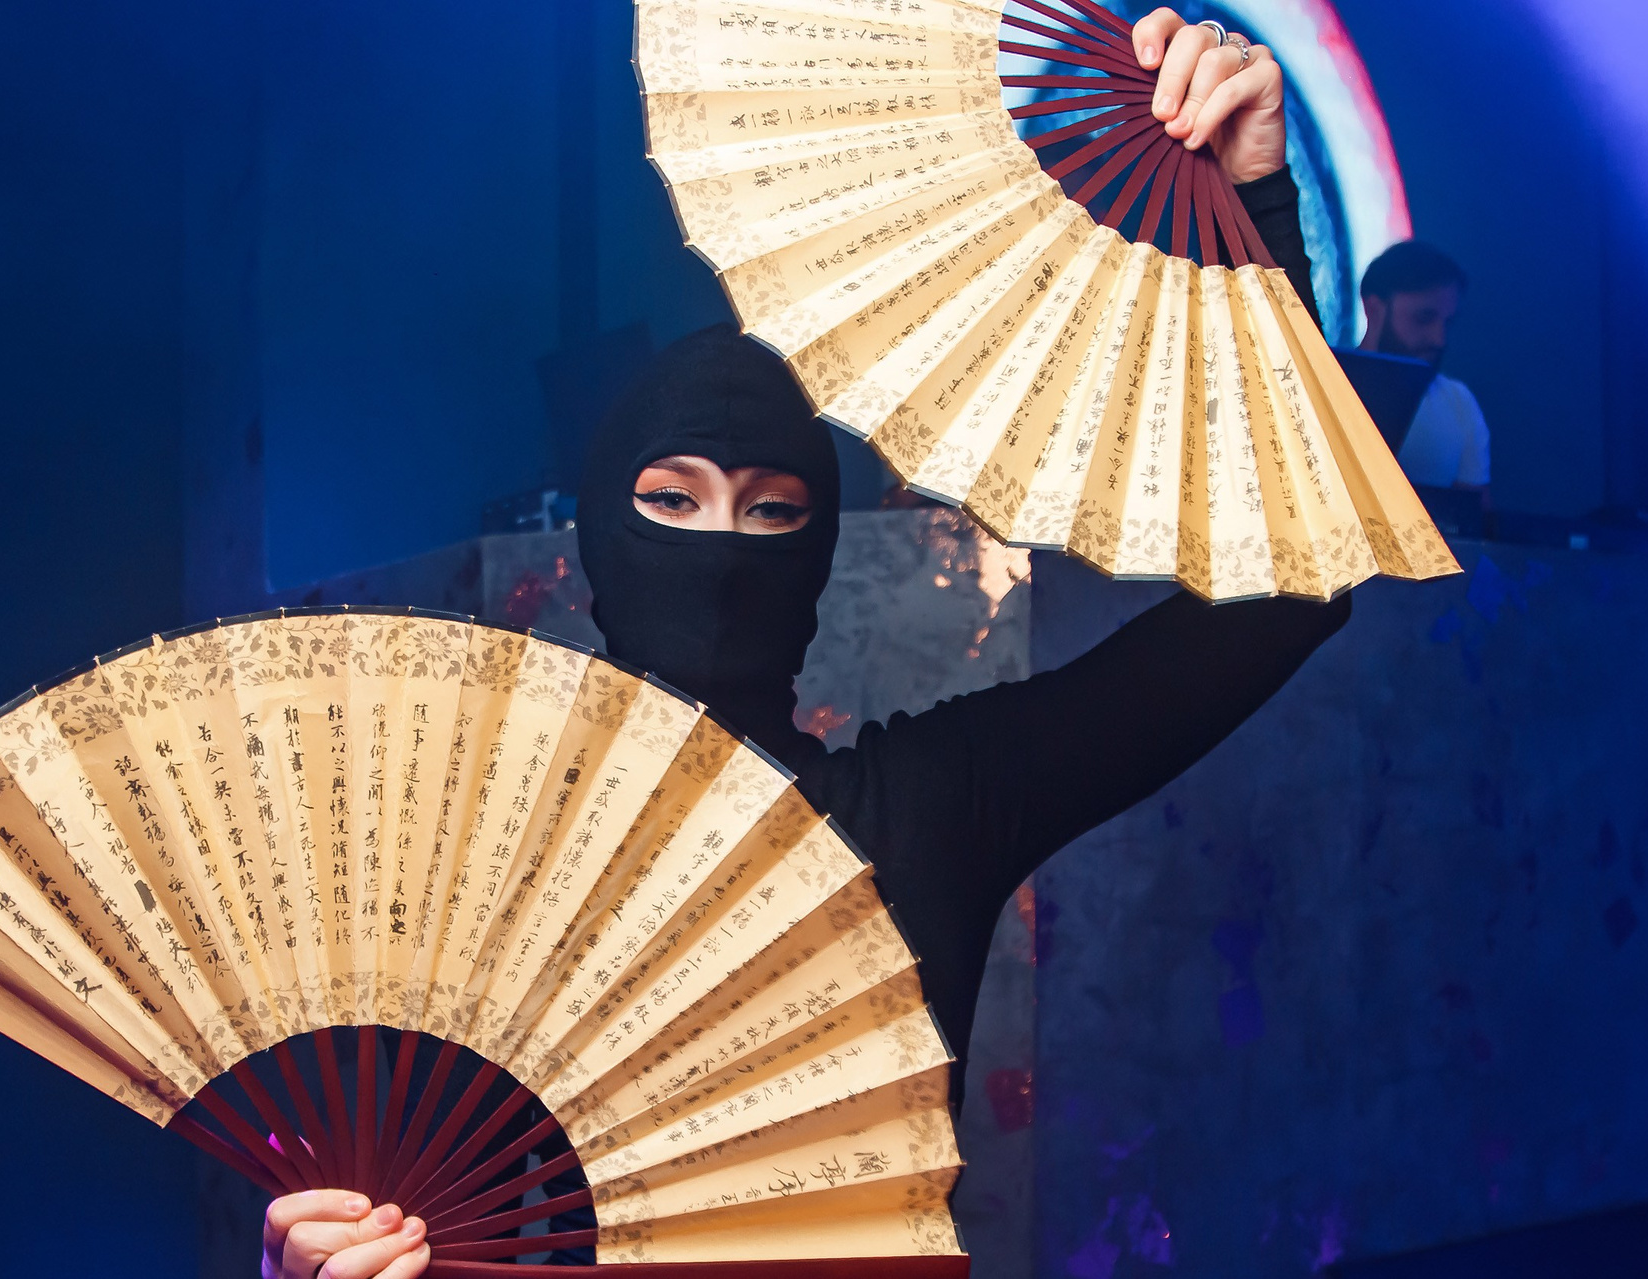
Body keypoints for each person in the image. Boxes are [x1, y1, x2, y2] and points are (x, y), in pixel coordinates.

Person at [262, 11, 1343, 1276]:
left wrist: (1254, 206)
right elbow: (417, 1213)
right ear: (600, 534)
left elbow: (1293, 590)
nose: (724, 550)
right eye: (671, 501)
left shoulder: (926, 810)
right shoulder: (487, 882)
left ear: (819, 550)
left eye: (772, 511)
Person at [1357, 240, 1491, 499]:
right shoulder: (1320, 386)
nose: (1439, 339)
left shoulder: (1459, 402)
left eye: (1447, 323)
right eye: (1423, 319)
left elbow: (1475, 515)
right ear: (1373, 309)